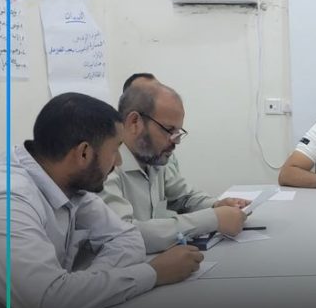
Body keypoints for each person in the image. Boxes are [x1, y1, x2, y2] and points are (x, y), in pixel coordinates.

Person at [0, 93, 203, 308]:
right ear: (84, 153)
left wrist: (77, 290)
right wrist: (153, 273)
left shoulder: (67, 181)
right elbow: (45, 302)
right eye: (115, 150)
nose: (119, 162)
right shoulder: (7, 198)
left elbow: (127, 238)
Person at [99, 82, 250, 253]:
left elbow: (184, 197)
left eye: (178, 132)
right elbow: (125, 235)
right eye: (169, 130)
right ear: (135, 122)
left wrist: (217, 205)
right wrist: (212, 219)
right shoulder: (104, 169)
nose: (176, 141)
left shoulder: (153, 158)